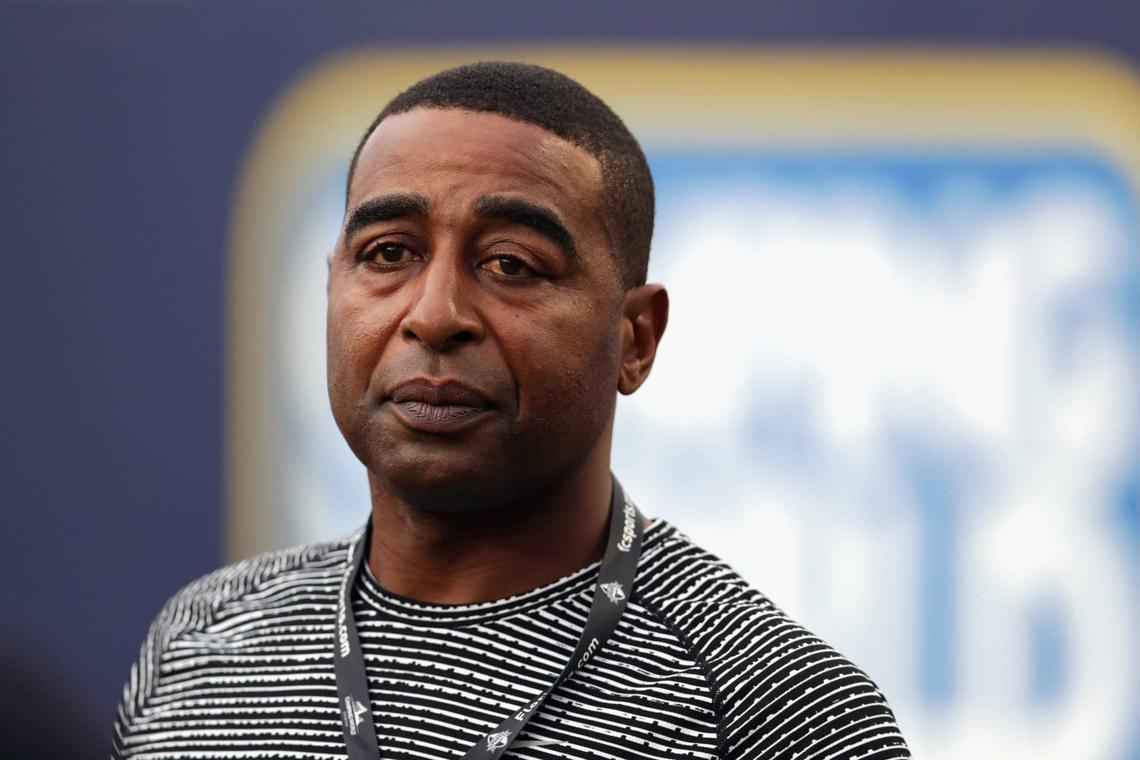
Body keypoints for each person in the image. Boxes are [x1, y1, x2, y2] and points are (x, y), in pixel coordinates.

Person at [112, 61, 910, 760]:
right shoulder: (199, 645)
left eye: (510, 264)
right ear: (331, 288)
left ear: (635, 338)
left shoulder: (777, 712)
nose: (435, 313)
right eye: (388, 253)